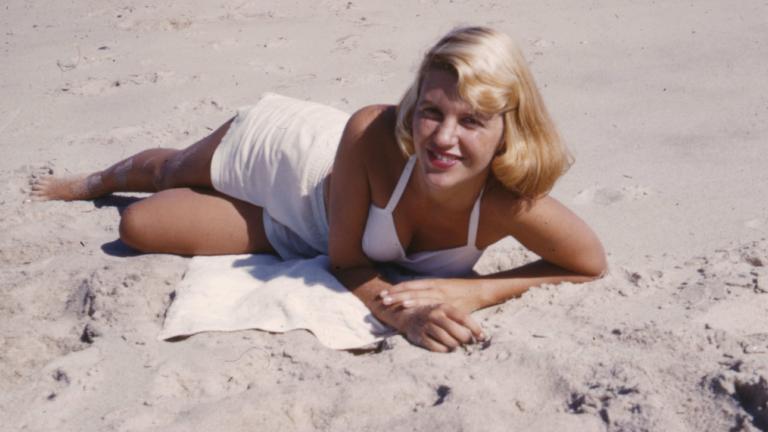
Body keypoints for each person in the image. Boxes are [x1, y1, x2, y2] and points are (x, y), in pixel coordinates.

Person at [32, 26, 606, 352]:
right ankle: (93, 180)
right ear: (414, 107)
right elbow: (348, 263)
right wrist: (403, 317)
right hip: (297, 165)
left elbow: (587, 265)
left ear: (509, 128)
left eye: (472, 121)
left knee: (141, 225)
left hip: (305, 231)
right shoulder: (372, 132)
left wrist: (477, 292)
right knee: (170, 173)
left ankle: (229, 211)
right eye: (431, 111)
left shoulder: (508, 202)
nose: (443, 139)